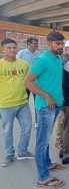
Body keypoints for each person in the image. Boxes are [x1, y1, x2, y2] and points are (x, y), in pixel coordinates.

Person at [24, 31, 66, 188]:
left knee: (46, 137)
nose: (61, 46)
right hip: (45, 107)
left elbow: (54, 80)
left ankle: (47, 163)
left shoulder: (57, 58)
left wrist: (59, 95)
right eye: (58, 44)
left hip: (56, 105)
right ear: (49, 44)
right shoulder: (42, 60)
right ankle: (43, 177)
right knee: (42, 141)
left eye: (62, 43)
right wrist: (47, 96)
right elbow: (27, 82)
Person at [0, 38, 34, 167]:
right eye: (9, 47)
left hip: (23, 103)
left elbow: (30, 81)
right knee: (7, 131)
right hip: (5, 104)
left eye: (14, 47)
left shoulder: (23, 64)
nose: (12, 50)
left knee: (27, 128)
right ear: (2, 49)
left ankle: (22, 151)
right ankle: (9, 153)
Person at [17, 37, 42, 128]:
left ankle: (37, 121)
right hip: (25, 82)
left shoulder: (39, 54)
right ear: (28, 44)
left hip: (36, 83)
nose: (36, 45)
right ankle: (24, 121)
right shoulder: (21, 54)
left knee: (37, 102)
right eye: (34, 43)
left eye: (36, 43)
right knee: (24, 103)